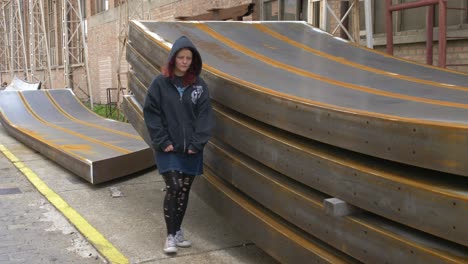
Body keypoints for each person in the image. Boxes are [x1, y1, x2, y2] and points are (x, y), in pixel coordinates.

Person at [143, 36, 213, 254]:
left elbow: (205, 117)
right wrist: (162, 141)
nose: (184, 61)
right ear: (173, 59)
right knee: (173, 186)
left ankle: (178, 230)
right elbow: (151, 113)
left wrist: (197, 143)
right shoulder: (160, 83)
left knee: (184, 190)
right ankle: (170, 236)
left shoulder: (199, 86)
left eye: (188, 58)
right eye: (181, 57)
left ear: (193, 60)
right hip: (167, 148)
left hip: (192, 149)